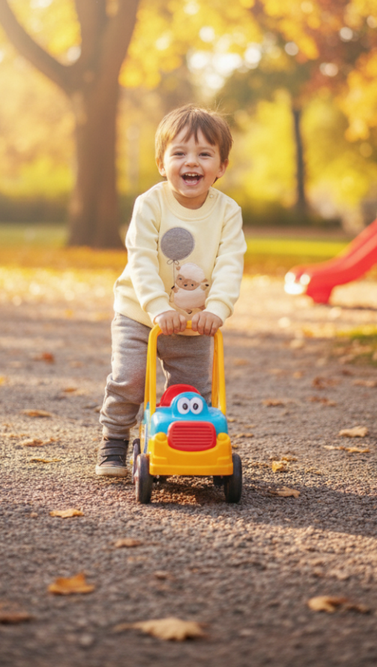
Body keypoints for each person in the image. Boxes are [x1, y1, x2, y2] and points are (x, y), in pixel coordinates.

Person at [97, 104, 246, 476]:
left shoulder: (227, 212)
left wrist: (217, 309)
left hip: (195, 322)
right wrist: (157, 306)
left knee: (192, 394)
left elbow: (230, 264)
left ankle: (186, 446)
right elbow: (142, 260)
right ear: (162, 164)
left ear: (222, 166)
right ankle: (114, 440)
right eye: (179, 153)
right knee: (130, 379)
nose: (191, 161)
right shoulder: (151, 204)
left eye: (204, 154)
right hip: (139, 312)